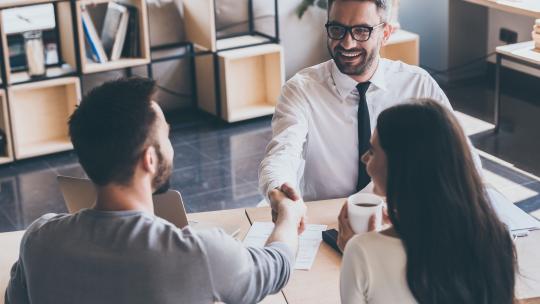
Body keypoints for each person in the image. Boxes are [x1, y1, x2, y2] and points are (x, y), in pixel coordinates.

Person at [5, 77, 306, 304]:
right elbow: (276, 265)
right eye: (167, 137)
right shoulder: (199, 253)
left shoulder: (38, 240)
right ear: (149, 159)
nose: (171, 147)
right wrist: (288, 217)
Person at [258, 0, 481, 211]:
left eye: (361, 31)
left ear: (385, 34)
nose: (347, 43)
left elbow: (462, 158)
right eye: (337, 29)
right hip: (323, 217)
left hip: (399, 217)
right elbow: (282, 152)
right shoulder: (300, 89)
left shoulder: (417, 84)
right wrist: (279, 189)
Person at [338, 99, 516, 304]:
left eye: (372, 151)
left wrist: (355, 250)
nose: (364, 158)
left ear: (401, 167)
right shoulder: (497, 238)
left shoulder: (362, 252)